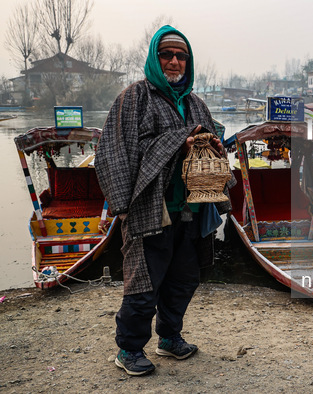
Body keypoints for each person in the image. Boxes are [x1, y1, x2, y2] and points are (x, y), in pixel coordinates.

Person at [95, 25, 231, 376]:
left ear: (188, 61)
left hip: (190, 210)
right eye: (166, 54)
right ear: (155, 58)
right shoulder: (135, 98)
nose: (174, 61)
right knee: (143, 283)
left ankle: (169, 338)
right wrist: (121, 203)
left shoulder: (196, 104)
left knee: (184, 279)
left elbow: (213, 145)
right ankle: (128, 349)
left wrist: (212, 146)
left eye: (180, 56)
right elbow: (113, 151)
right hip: (150, 209)